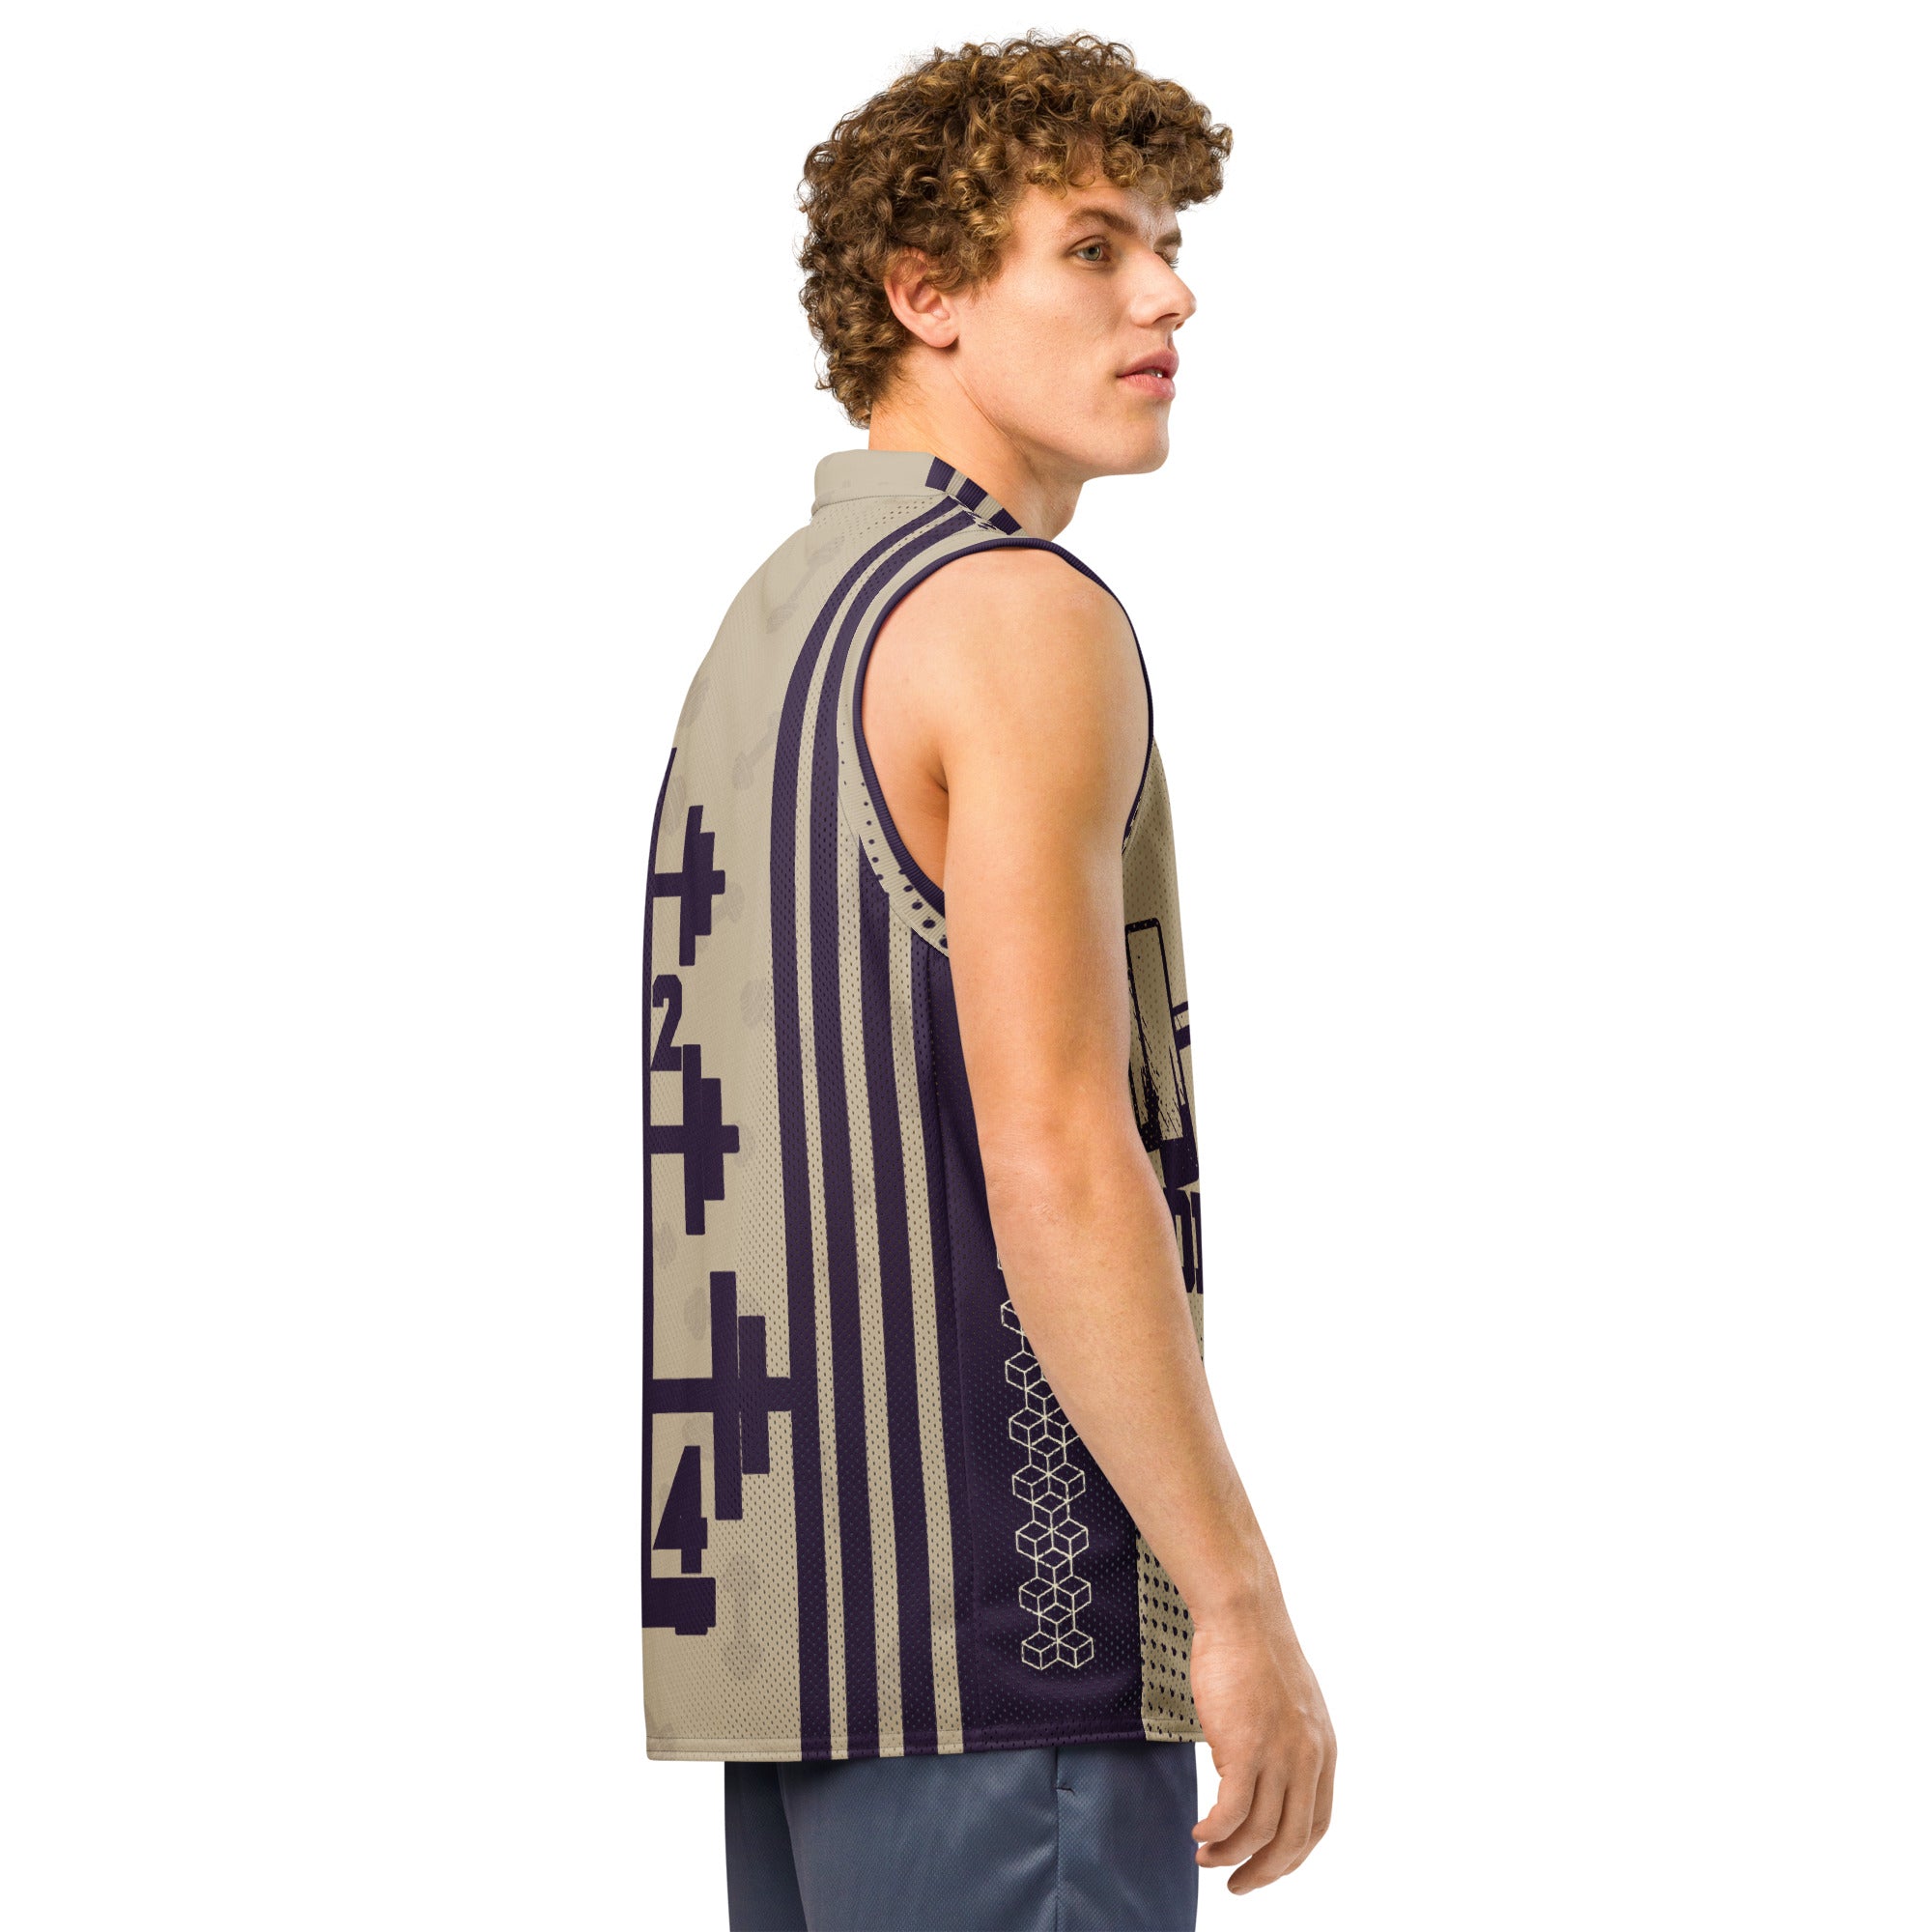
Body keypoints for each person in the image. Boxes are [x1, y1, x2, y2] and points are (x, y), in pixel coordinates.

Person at [640, 32, 1334, 1929]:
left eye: (1169, 244)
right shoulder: (1016, 619)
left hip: (801, 1654)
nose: (1167, 295)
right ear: (921, 292)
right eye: (1094, 248)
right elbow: (1055, 1146)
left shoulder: (778, 623)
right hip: (1007, 1649)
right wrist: (1233, 1603)